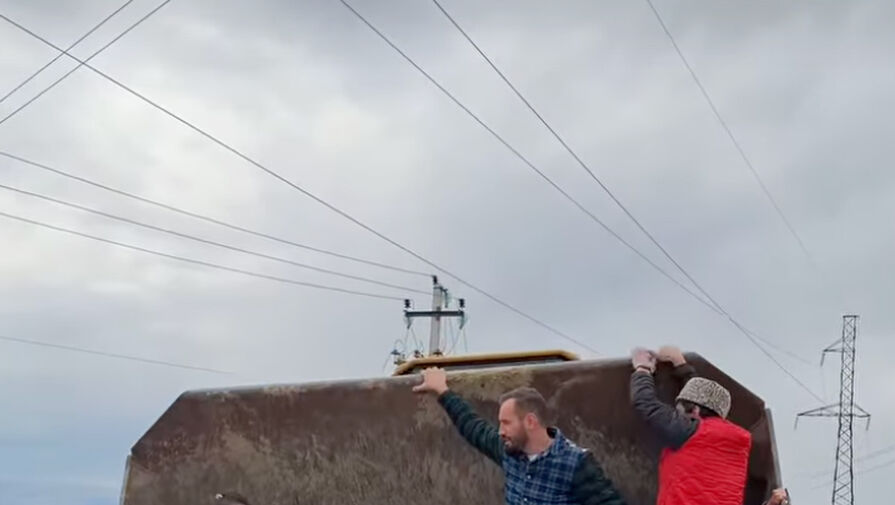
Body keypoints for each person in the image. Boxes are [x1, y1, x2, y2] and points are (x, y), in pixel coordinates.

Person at [414, 367, 626, 505]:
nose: (500, 431)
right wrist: (442, 390)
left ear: (530, 422)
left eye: (506, 423)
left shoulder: (576, 463)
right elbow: (472, 427)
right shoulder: (509, 450)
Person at [630, 346, 790, 505]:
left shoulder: (687, 431)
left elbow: (646, 404)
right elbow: (704, 399)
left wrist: (643, 368)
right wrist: (681, 365)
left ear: (695, 411)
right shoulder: (738, 443)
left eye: (680, 410)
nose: (679, 416)